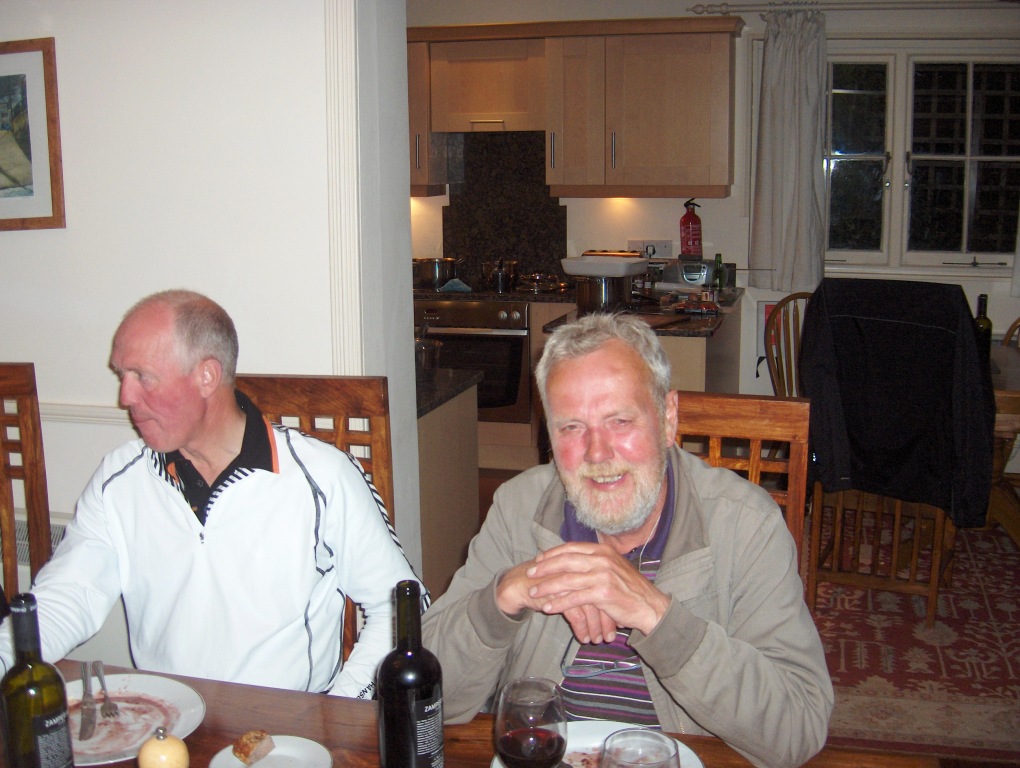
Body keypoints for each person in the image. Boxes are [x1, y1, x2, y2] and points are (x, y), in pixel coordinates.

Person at [421, 313, 833, 768]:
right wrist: (505, 596)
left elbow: (799, 727)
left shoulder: (745, 524)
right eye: (571, 427)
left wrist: (655, 615)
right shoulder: (518, 509)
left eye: (619, 421)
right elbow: (427, 701)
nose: (597, 453)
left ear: (667, 417)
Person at [0, 290, 423, 699]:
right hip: (165, 721)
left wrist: (342, 705)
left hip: (286, 727)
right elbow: (65, 598)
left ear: (207, 376)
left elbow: (401, 606)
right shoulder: (120, 479)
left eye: (142, 376)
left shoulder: (320, 476)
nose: (124, 397)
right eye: (120, 375)